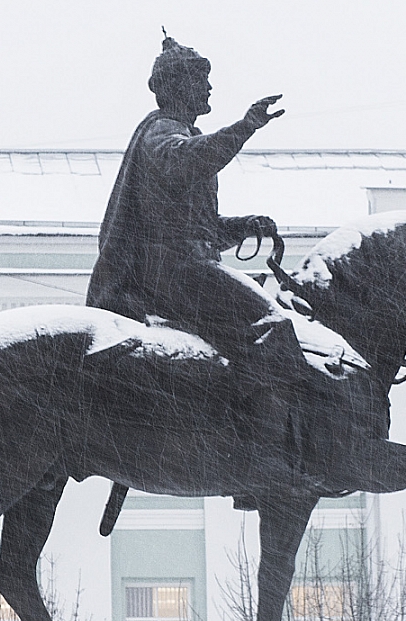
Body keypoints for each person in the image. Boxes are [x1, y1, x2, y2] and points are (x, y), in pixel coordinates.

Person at [87, 36, 306, 393]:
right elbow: (186, 161)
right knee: (270, 322)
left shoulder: (182, 132)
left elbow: (193, 228)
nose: (209, 87)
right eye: (200, 79)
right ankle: (267, 425)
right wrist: (245, 126)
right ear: (176, 86)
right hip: (174, 271)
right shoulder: (161, 130)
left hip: (181, 265)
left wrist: (243, 227)